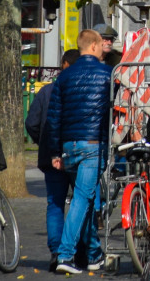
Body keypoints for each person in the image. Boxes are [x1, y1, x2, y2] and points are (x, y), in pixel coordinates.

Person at [47, 30, 115, 275]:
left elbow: (54, 117)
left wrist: (56, 152)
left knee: (84, 199)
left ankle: (94, 254)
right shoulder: (108, 74)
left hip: (69, 146)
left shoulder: (64, 78)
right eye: (102, 44)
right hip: (92, 145)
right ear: (95, 46)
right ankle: (66, 255)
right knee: (82, 200)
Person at [27, 49, 79, 269]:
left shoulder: (47, 91)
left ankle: (56, 252)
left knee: (55, 203)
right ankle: (79, 251)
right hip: (77, 154)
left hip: (51, 155)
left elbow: (31, 123)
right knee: (81, 202)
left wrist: (44, 142)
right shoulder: (79, 93)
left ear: (63, 64)